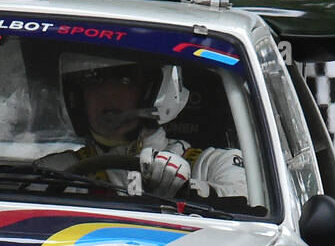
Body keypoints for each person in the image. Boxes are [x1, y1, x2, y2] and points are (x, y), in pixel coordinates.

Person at [40, 54, 248, 201]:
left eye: (125, 80)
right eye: (93, 82)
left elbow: (249, 204)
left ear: (156, 90)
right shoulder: (58, 169)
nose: (108, 94)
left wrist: (188, 190)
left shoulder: (213, 164)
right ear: (75, 97)